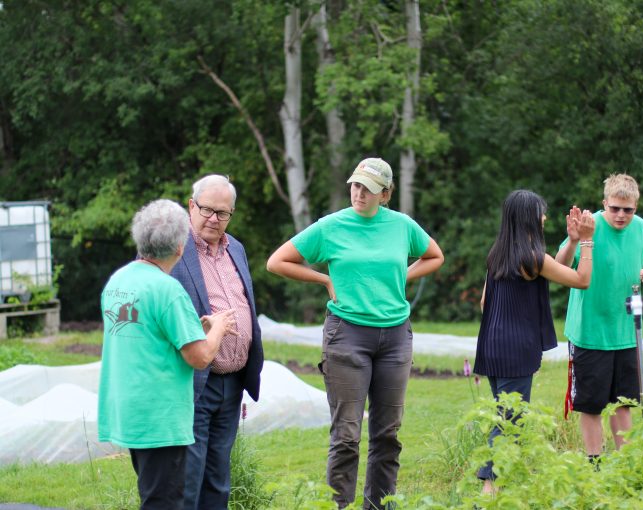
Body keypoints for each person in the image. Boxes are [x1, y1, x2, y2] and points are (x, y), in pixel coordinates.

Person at [266, 157, 444, 509]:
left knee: (387, 435)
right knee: (346, 436)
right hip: (347, 336)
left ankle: (378, 506)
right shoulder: (331, 227)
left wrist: (398, 278)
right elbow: (277, 262)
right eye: (355, 185)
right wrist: (323, 278)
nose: (359, 193)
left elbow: (435, 255)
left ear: (386, 194)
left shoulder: (402, 226)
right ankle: (339, 507)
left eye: (369, 188)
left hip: (394, 338)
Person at [98, 199, 236, 510]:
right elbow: (200, 357)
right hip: (161, 418)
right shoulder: (169, 290)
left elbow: (146, 334)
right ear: (179, 246)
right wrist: (219, 327)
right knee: (164, 503)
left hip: (130, 412)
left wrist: (188, 327)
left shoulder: (119, 282)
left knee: (153, 495)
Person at [473, 190, 595, 494]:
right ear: (529, 217)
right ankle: (488, 495)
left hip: (491, 346)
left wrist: (572, 242)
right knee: (509, 425)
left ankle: (504, 490)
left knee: (506, 418)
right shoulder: (532, 258)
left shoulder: (499, 253)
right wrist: (589, 241)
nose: (544, 218)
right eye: (541, 212)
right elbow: (581, 280)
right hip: (516, 349)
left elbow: (485, 301)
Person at [169, 175, 265, 510]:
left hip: (233, 381)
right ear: (191, 206)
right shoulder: (171, 249)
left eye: (222, 213)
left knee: (218, 479)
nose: (214, 219)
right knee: (188, 479)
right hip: (194, 379)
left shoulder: (235, 248)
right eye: (208, 210)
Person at [555, 173, 643, 465]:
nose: (621, 215)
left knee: (624, 402)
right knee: (592, 404)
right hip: (590, 331)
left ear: (636, 207)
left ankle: (625, 464)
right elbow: (559, 265)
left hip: (627, 331)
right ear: (604, 204)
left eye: (628, 210)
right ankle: (594, 463)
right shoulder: (591, 226)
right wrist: (575, 240)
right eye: (615, 208)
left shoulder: (641, 229)